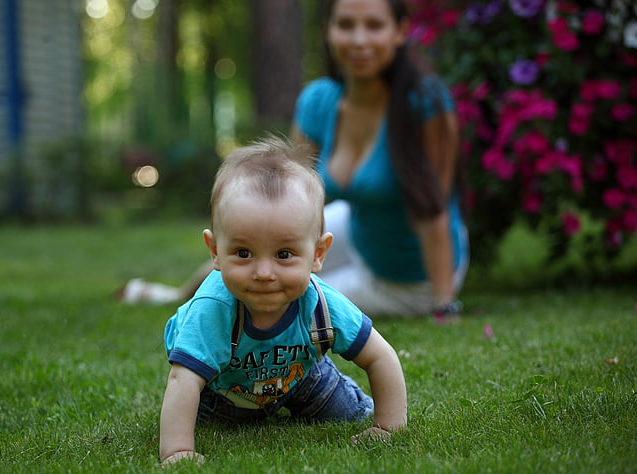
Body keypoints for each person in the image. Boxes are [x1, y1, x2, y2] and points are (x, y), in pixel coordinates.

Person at [118, 0, 468, 322]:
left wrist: (443, 302)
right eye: (346, 25)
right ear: (329, 31)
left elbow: (433, 208)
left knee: (276, 298)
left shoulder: (425, 102)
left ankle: (204, 302)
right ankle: (181, 295)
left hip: (410, 274)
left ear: (400, 32)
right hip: (359, 228)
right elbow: (287, 193)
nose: (359, 40)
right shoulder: (319, 101)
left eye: (374, 26)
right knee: (257, 244)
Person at [159, 136, 407, 466]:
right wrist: (177, 450)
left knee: (351, 415)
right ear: (215, 251)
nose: (263, 272)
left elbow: (379, 356)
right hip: (219, 390)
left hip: (301, 377)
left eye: (284, 254)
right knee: (207, 420)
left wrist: (388, 428)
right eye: (243, 253)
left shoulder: (320, 304)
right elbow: (184, 380)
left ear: (318, 254)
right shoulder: (213, 309)